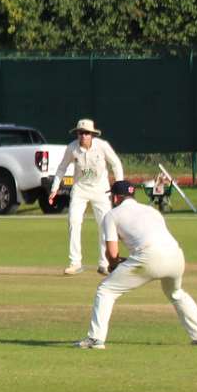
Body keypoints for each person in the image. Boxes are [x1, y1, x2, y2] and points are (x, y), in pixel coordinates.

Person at [75, 181, 197, 349]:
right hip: (176, 255)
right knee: (176, 293)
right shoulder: (151, 210)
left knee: (106, 290)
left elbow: (112, 253)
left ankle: (95, 339)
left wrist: (113, 265)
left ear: (116, 197)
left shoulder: (112, 215)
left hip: (149, 256)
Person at [48, 118, 124, 275]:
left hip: (100, 189)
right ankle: (75, 263)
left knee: (105, 225)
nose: (83, 136)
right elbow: (62, 168)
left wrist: (119, 187)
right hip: (80, 189)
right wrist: (54, 188)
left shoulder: (102, 146)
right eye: (80, 133)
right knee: (74, 221)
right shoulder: (72, 148)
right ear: (77, 134)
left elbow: (116, 163)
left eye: (87, 133)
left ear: (92, 135)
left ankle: (104, 263)